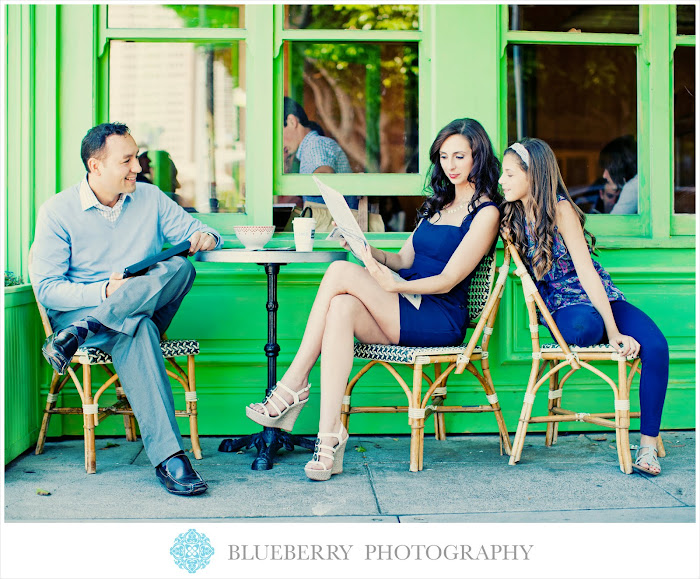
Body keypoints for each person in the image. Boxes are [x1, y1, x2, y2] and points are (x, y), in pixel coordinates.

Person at [246, 118, 502, 481]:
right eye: (444, 156)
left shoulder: (486, 212)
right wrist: (365, 248)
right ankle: (328, 440)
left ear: (478, 155)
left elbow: (447, 280)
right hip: (404, 302)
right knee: (341, 307)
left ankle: (291, 387)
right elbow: (404, 261)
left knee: (338, 273)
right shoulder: (438, 205)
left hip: (437, 314)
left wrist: (394, 287)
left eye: (459, 156)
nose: (451, 165)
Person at [29, 122, 222, 495]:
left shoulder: (149, 198)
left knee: (181, 266)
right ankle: (170, 459)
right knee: (138, 329)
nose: (138, 167)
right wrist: (104, 290)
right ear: (96, 166)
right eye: (127, 160)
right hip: (86, 310)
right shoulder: (57, 211)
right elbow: (49, 290)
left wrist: (206, 236)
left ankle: (83, 331)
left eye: (136, 157)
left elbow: (205, 232)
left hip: (92, 324)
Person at [499, 137, 669, 476]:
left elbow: (588, 272)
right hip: (563, 307)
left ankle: (648, 446)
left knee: (657, 347)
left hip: (598, 297)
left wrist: (616, 330)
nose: (501, 181)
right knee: (583, 327)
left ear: (533, 176)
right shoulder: (510, 216)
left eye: (508, 174)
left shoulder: (560, 210)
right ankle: (605, 330)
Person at [283, 97, 383, 232]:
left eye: (277, 134)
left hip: (335, 232)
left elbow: (324, 178)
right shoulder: (310, 146)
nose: (278, 143)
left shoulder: (314, 145)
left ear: (291, 121)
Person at [599, 135, 637, 215]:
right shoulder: (637, 183)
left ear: (618, 166)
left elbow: (613, 224)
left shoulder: (633, 188)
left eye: (608, 168)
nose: (604, 175)